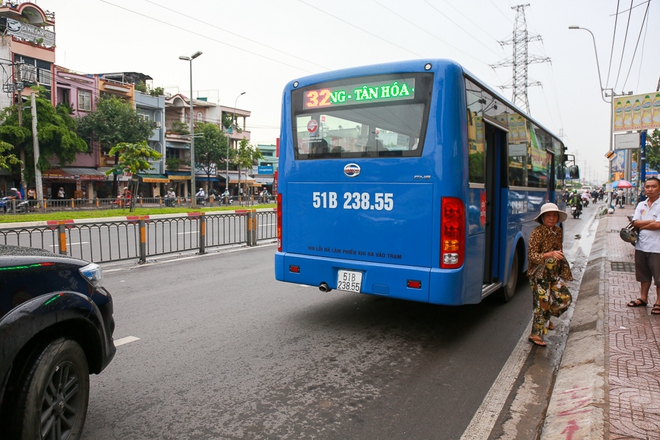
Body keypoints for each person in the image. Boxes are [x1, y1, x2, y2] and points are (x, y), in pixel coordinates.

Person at [527, 203, 573, 346]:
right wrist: (548, 255)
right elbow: (531, 255)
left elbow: (559, 251)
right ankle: (535, 334)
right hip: (539, 275)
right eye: (548, 216)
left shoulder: (558, 231)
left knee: (565, 300)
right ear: (542, 218)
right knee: (542, 305)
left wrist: (561, 267)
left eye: (554, 216)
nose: (552, 218)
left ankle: (546, 318)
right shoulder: (537, 233)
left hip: (553, 274)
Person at [626, 177, 660, 315]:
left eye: (653, 186)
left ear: (659, 188)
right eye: (647, 187)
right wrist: (651, 221)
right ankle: (643, 298)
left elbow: (659, 225)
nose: (650, 189)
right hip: (641, 246)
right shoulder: (641, 205)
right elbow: (635, 223)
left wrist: (643, 223)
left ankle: (658, 302)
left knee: (659, 277)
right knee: (643, 275)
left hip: (657, 248)